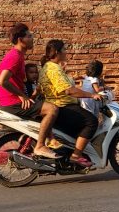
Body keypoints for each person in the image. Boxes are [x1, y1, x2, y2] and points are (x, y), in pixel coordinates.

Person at [0, 22, 58, 157]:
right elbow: (2, 81)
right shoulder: (15, 57)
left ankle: (50, 139)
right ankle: (40, 146)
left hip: (10, 101)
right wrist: (21, 96)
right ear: (20, 40)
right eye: (29, 36)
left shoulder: (15, 54)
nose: (32, 39)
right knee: (52, 109)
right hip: (13, 103)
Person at [38, 40, 103, 168]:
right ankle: (76, 156)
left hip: (59, 104)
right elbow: (68, 91)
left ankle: (70, 152)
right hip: (63, 106)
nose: (66, 52)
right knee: (92, 122)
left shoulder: (49, 66)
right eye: (64, 49)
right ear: (57, 52)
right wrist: (92, 95)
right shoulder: (54, 68)